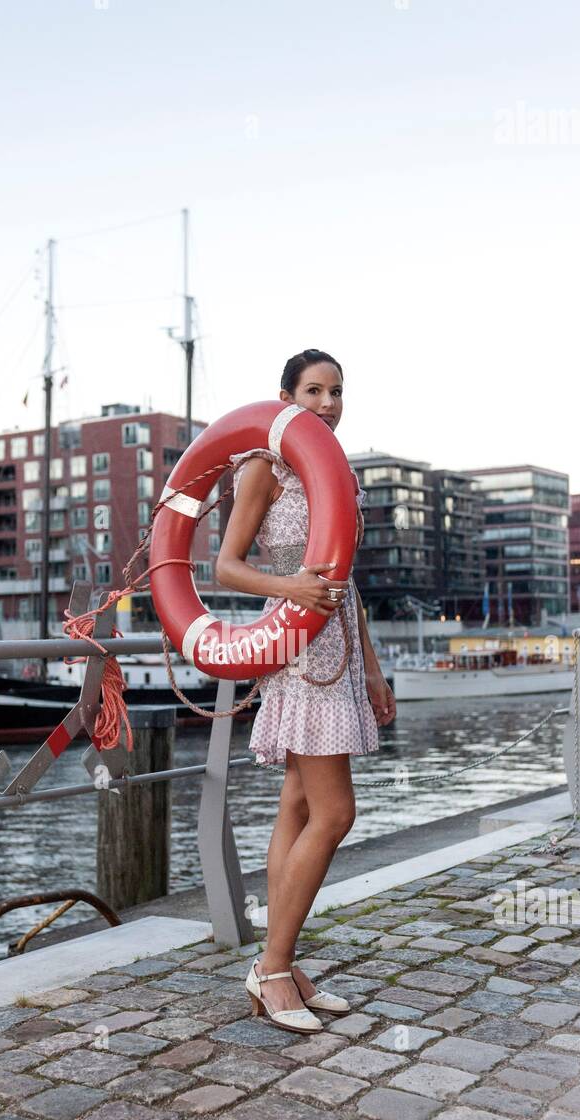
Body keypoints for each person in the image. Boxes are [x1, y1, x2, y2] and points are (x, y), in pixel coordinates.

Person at [216, 349, 397, 1033]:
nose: (327, 403)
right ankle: (270, 967)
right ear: (287, 396)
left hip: (343, 641)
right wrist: (290, 587)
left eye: (337, 391)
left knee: (297, 805)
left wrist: (375, 668)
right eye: (314, 390)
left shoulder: (336, 472)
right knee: (335, 812)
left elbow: (346, 580)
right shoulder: (266, 464)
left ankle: (282, 966)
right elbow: (227, 567)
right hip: (299, 642)